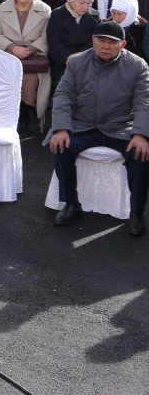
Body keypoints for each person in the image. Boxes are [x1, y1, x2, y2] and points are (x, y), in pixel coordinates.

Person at [48, 21, 149, 236]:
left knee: (140, 154)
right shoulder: (77, 63)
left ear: (122, 45)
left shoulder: (137, 65)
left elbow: (144, 102)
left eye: (112, 43)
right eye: (101, 40)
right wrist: (62, 128)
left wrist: (141, 134)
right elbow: (63, 95)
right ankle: (71, 203)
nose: (106, 46)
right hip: (83, 125)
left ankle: (137, 211)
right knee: (60, 146)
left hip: (118, 127)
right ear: (93, 40)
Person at [0, 0, 53, 135]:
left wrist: (30, 50)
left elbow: (47, 35)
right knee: (9, 76)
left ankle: (28, 107)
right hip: (8, 53)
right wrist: (12, 48)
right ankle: (16, 112)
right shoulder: (3, 7)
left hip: (35, 54)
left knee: (30, 79)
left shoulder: (45, 9)